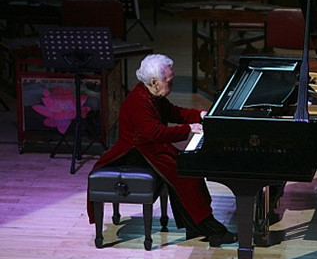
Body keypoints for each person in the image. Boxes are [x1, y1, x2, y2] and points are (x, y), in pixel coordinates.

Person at [87, 54, 237, 247]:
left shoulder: (151, 95)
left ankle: (198, 225)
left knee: (187, 171)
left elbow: (173, 112)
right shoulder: (139, 101)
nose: (172, 84)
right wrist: (188, 129)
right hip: (135, 155)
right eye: (169, 81)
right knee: (185, 173)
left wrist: (200, 115)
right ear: (154, 82)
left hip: (149, 148)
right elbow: (155, 133)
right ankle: (210, 230)